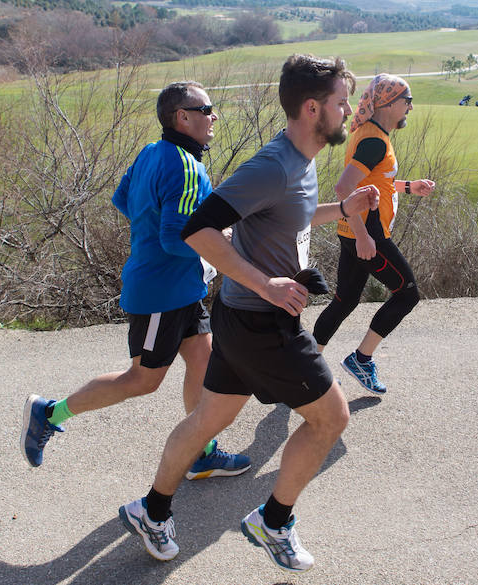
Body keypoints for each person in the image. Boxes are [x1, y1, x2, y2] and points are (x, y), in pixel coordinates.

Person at [117, 54, 379, 573]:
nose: (349, 112)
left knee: (207, 419)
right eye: (341, 103)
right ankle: (274, 521)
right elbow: (197, 228)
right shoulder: (273, 165)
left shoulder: (301, 163)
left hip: (240, 318)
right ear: (312, 108)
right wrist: (266, 283)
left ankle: (151, 510)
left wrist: (344, 210)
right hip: (262, 322)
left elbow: (291, 216)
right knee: (331, 418)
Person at [20, 81, 250, 480]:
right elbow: (177, 238)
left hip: (181, 288)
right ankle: (49, 413)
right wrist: (219, 240)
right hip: (162, 292)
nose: (214, 117)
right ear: (182, 117)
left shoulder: (151, 152)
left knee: (203, 362)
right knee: (142, 380)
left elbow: (123, 199)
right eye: (207, 109)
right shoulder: (186, 166)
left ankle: (200, 452)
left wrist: (152, 233)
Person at [313, 74, 434, 395]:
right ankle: (361, 359)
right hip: (368, 234)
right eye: (407, 100)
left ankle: (305, 367)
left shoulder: (372, 135)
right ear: (388, 103)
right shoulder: (374, 141)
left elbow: (374, 181)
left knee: (345, 300)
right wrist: (364, 237)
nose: (410, 107)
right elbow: (344, 188)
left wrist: (409, 186)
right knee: (407, 294)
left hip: (353, 232)